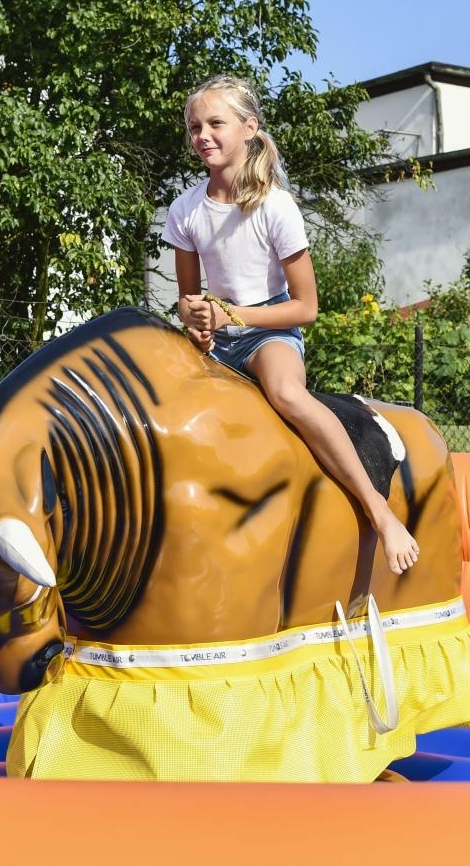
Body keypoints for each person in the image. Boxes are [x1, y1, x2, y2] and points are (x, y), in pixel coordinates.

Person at [164, 74, 420, 575]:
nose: (203, 135)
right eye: (195, 127)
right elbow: (187, 300)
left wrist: (232, 315)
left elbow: (306, 308)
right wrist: (195, 319)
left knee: (286, 394)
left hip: (269, 332)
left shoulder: (275, 206)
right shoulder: (185, 210)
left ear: (249, 128)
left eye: (216, 123)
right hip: (218, 339)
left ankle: (379, 510)